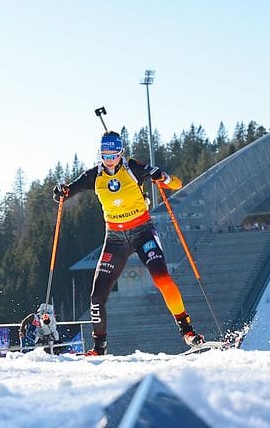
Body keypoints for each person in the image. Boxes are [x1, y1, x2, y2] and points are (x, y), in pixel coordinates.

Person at [53, 131, 204, 356]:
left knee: (162, 279)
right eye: (105, 155)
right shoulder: (94, 175)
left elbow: (176, 184)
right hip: (115, 239)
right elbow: (67, 192)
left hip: (142, 232)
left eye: (113, 155)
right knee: (96, 297)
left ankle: (187, 331)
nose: (109, 160)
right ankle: (99, 348)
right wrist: (61, 191)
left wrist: (162, 176)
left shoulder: (133, 168)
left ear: (121, 153)